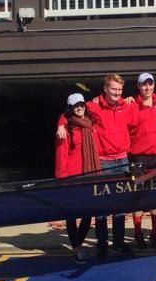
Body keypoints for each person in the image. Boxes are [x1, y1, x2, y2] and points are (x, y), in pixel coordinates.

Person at [59, 74, 136, 256]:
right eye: (113, 89)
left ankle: (118, 243)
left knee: (120, 205)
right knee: (101, 205)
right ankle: (102, 243)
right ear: (106, 89)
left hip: (123, 159)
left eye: (119, 90)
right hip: (104, 161)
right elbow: (71, 112)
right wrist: (61, 124)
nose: (116, 93)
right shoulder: (93, 106)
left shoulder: (127, 105)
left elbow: (143, 110)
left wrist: (133, 99)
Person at [54, 93, 99, 264]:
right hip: (72, 178)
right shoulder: (65, 129)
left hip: (89, 176)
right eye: (75, 106)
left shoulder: (90, 125)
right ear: (70, 109)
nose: (79, 108)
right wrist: (62, 181)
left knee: (89, 213)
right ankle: (76, 248)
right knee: (71, 214)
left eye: (81, 104)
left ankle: (78, 244)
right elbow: (61, 156)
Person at [127, 72, 156, 249]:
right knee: (138, 197)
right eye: (144, 85)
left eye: (150, 84)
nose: (147, 88)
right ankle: (137, 233)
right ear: (139, 87)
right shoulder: (131, 105)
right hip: (138, 157)